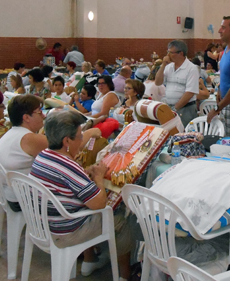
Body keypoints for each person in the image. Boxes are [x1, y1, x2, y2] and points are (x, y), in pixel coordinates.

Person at [30, 111, 132, 279]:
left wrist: (84, 174)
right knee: (120, 219)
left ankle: (90, 260)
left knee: (83, 203)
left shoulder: (44, 155)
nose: (82, 140)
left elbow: (66, 182)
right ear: (67, 141)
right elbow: (99, 204)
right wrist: (98, 177)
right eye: (79, 136)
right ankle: (125, 276)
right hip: (65, 231)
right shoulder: (67, 165)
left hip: (43, 223)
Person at [155, 40, 199, 128]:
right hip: (171, 108)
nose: (168, 55)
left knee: (184, 135)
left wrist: (175, 108)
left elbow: (190, 92)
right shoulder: (169, 67)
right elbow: (157, 82)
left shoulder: (191, 68)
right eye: (168, 52)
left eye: (171, 52)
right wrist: (163, 65)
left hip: (186, 109)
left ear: (181, 53)